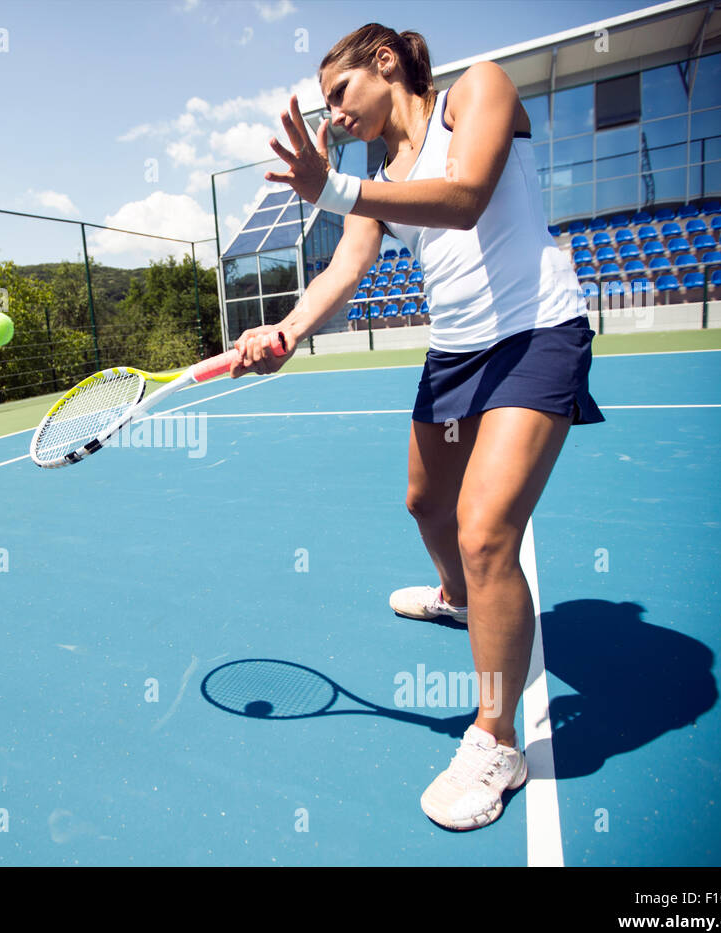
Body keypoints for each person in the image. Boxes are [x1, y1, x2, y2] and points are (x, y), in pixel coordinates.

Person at [230, 23, 604, 831]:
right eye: (326, 101)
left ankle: (495, 739)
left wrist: (331, 189)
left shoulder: (478, 93)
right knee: (425, 507)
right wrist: (287, 332)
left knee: (486, 530)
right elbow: (345, 266)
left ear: (387, 64)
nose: (334, 112)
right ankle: (459, 601)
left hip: (536, 332)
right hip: (456, 352)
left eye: (339, 92)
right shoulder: (373, 170)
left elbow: (466, 198)